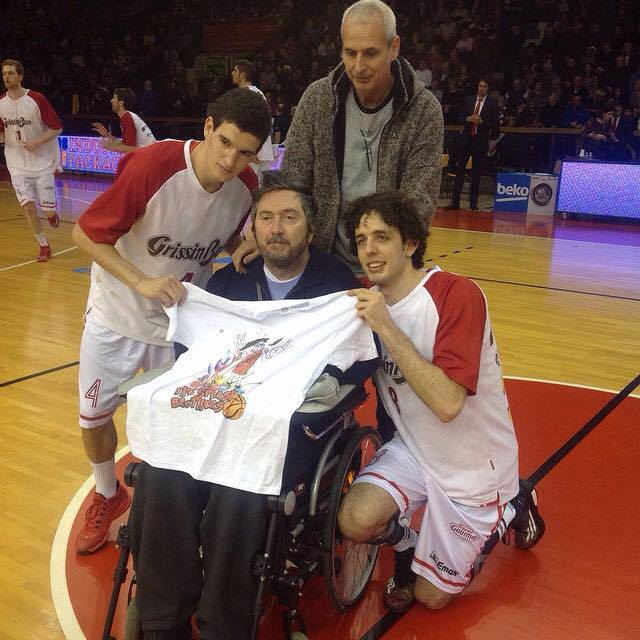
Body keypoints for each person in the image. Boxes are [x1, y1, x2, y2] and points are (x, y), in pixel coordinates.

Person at [129, 172, 378, 640]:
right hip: (216, 418)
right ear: (253, 228)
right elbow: (191, 355)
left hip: (282, 432)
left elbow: (359, 361)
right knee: (161, 474)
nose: (276, 228)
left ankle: (222, 625)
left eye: (289, 217)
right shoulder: (228, 282)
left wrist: (315, 394)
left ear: (310, 227)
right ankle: (162, 619)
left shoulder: (337, 288)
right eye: (266, 218)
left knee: (239, 489)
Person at [70, 88, 272, 556]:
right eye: (224, 142)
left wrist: (241, 246)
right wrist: (140, 280)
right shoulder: (155, 165)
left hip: (181, 325)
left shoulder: (246, 187)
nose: (230, 160)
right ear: (208, 127)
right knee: (94, 416)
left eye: (245, 152)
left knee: (179, 423)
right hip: (117, 315)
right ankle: (107, 492)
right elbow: (86, 233)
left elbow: (217, 237)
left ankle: (172, 514)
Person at [339, 191, 545, 612]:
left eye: (382, 237)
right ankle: (409, 546)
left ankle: (513, 503)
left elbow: (448, 404)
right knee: (354, 520)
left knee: (430, 599)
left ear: (411, 243)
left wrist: (386, 326)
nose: (369, 250)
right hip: (415, 450)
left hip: (474, 468)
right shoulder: (363, 301)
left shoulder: (456, 294)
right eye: (361, 240)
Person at [232, 0, 443, 273]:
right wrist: (263, 234)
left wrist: (382, 269)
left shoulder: (424, 110)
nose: (358, 66)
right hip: (320, 263)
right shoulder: (317, 98)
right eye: (350, 52)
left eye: (370, 53)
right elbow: (291, 181)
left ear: (394, 47)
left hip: (390, 267)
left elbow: (418, 203)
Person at [0, 59, 62, 262]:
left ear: (20, 76)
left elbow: (57, 128)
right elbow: (2, 134)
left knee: (47, 210)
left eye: (10, 73)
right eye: (4, 73)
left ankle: (51, 214)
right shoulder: (1, 103)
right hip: (16, 164)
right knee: (28, 207)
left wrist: (37, 142)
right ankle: (44, 246)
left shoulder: (37, 99)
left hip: (42, 162)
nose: (6, 77)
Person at [445, 79, 499, 211]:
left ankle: (473, 203)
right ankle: (455, 202)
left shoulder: (492, 103)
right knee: (460, 171)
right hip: (466, 140)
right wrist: (467, 119)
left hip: (480, 141)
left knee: (476, 173)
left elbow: (495, 124)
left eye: (484, 86)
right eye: (480, 86)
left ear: (488, 88)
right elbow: (459, 117)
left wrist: (482, 122)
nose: (481, 88)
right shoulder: (469, 100)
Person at [231, 59, 274, 178]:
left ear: (242, 75)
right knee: (258, 187)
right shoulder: (257, 92)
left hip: (253, 152)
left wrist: (254, 150)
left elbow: (254, 123)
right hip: (260, 150)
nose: (232, 73)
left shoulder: (247, 93)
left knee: (247, 186)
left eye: (235, 70)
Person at [91, 87, 156, 153]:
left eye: (114, 98)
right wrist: (107, 135)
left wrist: (109, 147)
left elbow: (130, 149)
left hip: (149, 155)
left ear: (121, 103)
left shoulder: (126, 117)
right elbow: (126, 144)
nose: (111, 101)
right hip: (149, 153)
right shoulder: (129, 115)